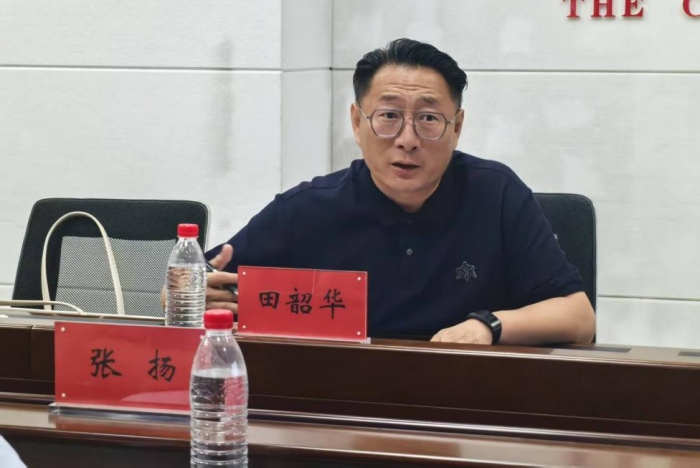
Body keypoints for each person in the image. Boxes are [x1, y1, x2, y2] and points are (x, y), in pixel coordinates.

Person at [204, 38, 596, 345]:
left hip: (468, 398)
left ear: (457, 127)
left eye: (428, 118)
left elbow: (578, 318)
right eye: (389, 116)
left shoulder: (497, 194)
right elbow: (200, 281)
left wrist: (489, 325)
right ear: (357, 123)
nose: (407, 139)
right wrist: (192, 293)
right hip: (342, 402)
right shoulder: (307, 208)